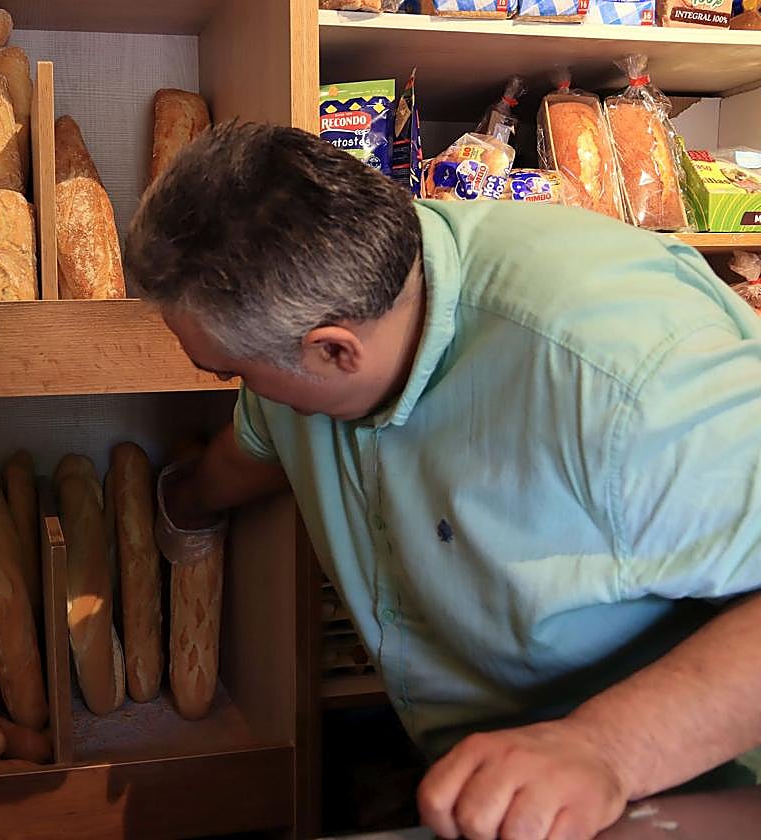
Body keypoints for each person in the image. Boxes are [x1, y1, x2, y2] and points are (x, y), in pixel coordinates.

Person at [125, 122, 761, 840]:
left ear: (334, 351)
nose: (240, 389)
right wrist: (185, 504)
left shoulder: (619, 370)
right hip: (487, 784)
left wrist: (604, 749)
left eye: (235, 374)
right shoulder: (339, 298)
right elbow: (257, 447)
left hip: (690, 791)